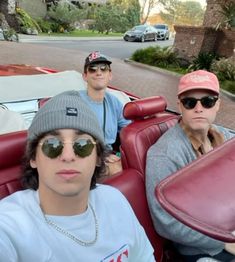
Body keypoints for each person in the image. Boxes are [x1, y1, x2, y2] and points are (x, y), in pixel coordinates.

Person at [0, 90, 155, 262]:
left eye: (82, 145)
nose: (68, 156)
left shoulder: (115, 200)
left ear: (97, 157)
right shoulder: (9, 227)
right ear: (33, 158)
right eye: (52, 144)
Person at [146, 70, 235, 262]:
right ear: (180, 105)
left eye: (208, 101)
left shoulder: (226, 138)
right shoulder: (164, 154)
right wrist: (223, 241)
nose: (199, 108)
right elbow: (166, 222)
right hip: (202, 250)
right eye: (189, 102)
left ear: (217, 105)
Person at [80, 51, 131, 175]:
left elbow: (128, 129)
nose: (98, 72)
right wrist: (99, 155)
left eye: (104, 69)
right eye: (92, 69)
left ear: (110, 75)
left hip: (109, 156)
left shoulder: (114, 102)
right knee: (118, 170)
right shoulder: (75, 101)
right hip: (84, 157)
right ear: (85, 76)